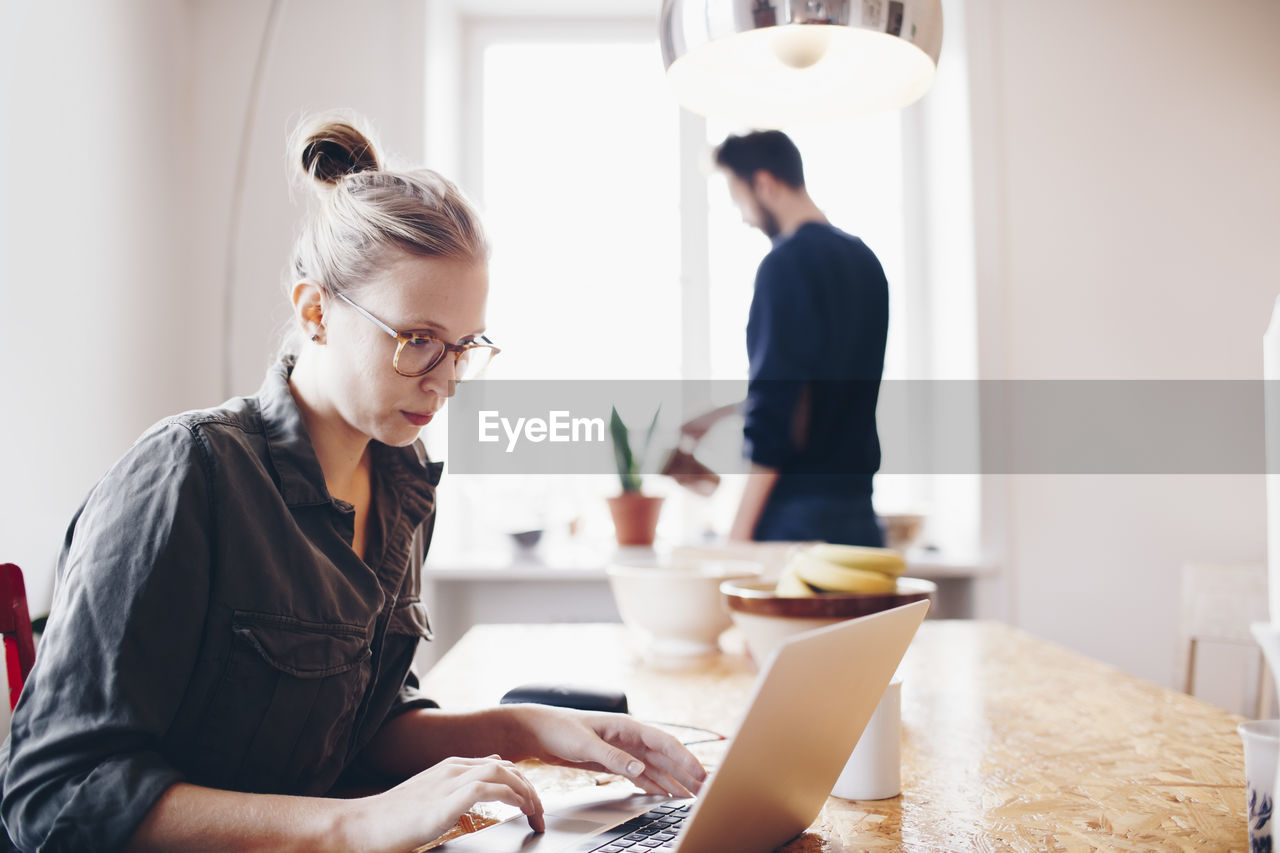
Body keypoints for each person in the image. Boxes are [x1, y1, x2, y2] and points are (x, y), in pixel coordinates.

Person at [0, 113, 704, 853]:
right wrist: (355, 824)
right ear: (316, 313)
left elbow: (357, 732)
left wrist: (528, 728)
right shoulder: (188, 473)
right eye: (418, 340)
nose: (446, 379)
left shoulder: (402, 485)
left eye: (464, 347)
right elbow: (54, 795)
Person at [682, 130, 889, 547]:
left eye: (739, 200)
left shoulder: (784, 265)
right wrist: (721, 414)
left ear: (765, 184)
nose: (744, 216)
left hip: (796, 520)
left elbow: (778, 410)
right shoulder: (866, 262)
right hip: (859, 513)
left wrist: (739, 536)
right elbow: (817, 389)